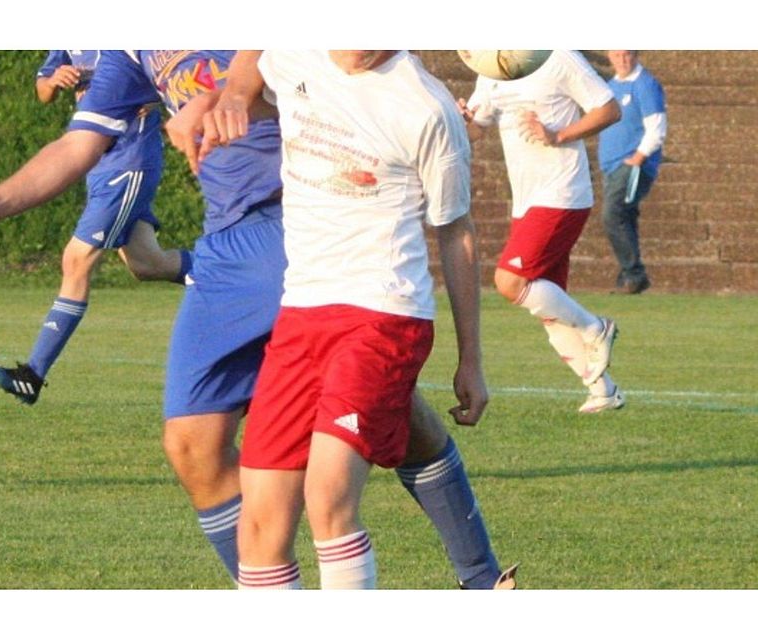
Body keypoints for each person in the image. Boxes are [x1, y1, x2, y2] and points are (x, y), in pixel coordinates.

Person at [0, 50, 513, 589]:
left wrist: (228, 96)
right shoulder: (131, 49)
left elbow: (276, 52)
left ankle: (479, 576)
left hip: (307, 227)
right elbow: (80, 142)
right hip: (227, 244)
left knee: (351, 445)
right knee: (193, 445)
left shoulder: (394, 88)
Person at [178, 49, 511, 589]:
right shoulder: (296, 49)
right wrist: (231, 97)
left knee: (327, 493)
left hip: (384, 316)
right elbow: (256, 54)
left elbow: (456, 231)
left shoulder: (427, 109)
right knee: (259, 527)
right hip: (300, 315)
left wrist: (471, 358)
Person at [0, 50, 190, 405]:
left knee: (76, 260)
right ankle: (232, 273)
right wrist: (54, 80)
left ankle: (32, 374)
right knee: (147, 263)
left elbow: (171, 75)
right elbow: (43, 90)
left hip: (130, 159)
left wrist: (147, 97)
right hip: (96, 163)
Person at [460, 49, 625, 415]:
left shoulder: (558, 55)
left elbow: (609, 109)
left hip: (563, 194)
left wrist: (558, 134)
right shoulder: (493, 67)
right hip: (527, 200)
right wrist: (459, 121)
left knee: (509, 282)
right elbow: (475, 128)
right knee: (549, 308)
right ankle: (603, 390)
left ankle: (597, 328)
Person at [598, 50, 666, 295]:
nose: (622, 60)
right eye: (617, 55)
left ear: (635, 55)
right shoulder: (611, 86)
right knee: (624, 217)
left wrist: (638, 158)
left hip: (632, 165)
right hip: (612, 165)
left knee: (612, 214)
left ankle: (634, 274)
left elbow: (656, 126)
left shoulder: (645, 85)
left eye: (627, 54)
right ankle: (629, 274)